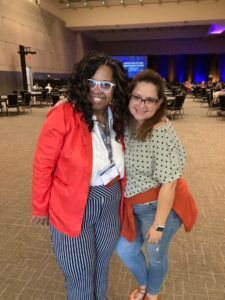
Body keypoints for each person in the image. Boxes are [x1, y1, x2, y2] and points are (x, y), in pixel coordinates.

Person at [32, 51, 128, 300]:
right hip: (73, 202)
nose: (98, 90)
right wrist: (40, 206)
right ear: (82, 83)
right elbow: (43, 165)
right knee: (80, 271)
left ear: (114, 89)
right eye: (91, 83)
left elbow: (149, 112)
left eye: (105, 84)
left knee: (101, 265)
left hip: (110, 200)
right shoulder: (64, 114)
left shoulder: (117, 116)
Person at [115, 70, 198, 300]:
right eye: (137, 97)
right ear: (129, 97)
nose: (142, 105)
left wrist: (159, 225)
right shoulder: (127, 121)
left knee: (156, 254)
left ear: (159, 102)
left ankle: (152, 294)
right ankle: (143, 283)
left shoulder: (161, 132)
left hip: (160, 207)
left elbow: (169, 185)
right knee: (125, 250)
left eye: (150, 99)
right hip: (132, 204)